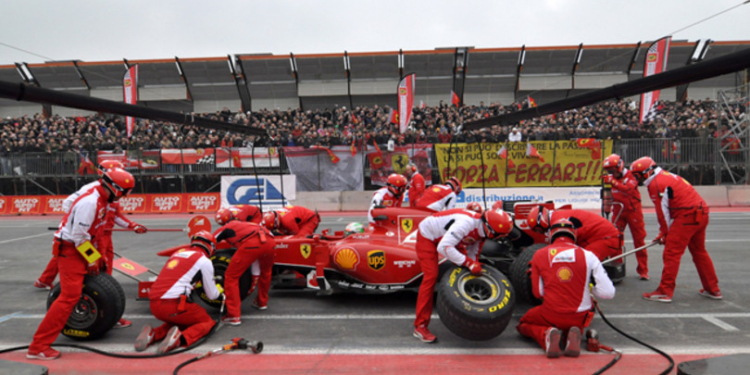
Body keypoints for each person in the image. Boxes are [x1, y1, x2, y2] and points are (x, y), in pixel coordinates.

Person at [27, 168, 135, 360]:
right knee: (69, 296)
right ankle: (38, 347)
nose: (126, 195)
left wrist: (98, 254)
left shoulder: (103, 199)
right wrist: (91, 257)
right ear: (115, 188)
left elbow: (97, 230)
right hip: (71, 249)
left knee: (99, 277)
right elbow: (78, 237)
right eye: (125, 191)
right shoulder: (90, 203)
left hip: (85, 244)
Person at [516, 219, 615, 358]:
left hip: (551, 314)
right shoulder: (589, 255)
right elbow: (608, 293)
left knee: (523, 323)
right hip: (580, 316)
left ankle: (546, 335)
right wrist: (591, 291)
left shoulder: (539, 255)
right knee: (577, 318)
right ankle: (572, 333)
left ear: (551, 235)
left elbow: (538, 293)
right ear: (574, 234)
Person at [413, 209, 513, 343]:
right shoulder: (466, 224)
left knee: (468, 268)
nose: (499, 238)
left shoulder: (482, 230)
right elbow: (444, 247)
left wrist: (471, 265)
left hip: (449, 237)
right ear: (489, 229)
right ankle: (420, 326)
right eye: (499, 235)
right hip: (428, 235)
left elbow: (473, 256)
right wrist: (469, 264)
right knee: (431, 277)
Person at [630, 156, 721, 303]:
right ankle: (713, 289)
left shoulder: (655, 183)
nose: (636, 179)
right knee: (699, 252)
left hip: (687, 215)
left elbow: (663, 213)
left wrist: (664, 233)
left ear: (646, 173)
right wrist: (665, 233)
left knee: (671, 253)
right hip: (701, 212)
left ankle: (665, 291)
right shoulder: (666, 176)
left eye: (637, 175)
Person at [134, 231, 222, 354]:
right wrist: (220, 291)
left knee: (180, 320)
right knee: (206, 321)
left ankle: (154, 334)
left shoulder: (177, 254)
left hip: (154, 304)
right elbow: (212, 295)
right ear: (210, 247)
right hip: (174, 304)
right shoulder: (204, 261)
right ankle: (179, 339)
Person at [214, 220, 276, 324]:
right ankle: (262, 302)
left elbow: (210, 241)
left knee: (231, 277)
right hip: (270, 242)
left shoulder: (227, 227)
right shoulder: (250, 224)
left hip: (252, 244)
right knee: (266, 272)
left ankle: (233, 316)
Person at [602, 153, 649, 280]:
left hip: (633, 211)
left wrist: (613, 182)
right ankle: (617, 266)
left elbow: (628, 189)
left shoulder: (631, 175)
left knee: (639, 240)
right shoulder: (610, 178)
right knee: (615, 238)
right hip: (618, 212)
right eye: (608, 171)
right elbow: (607, 194)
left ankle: (643, 270)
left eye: (611, 170)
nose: (610, 173)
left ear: (619, 167)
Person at [527, 205, 621, 262]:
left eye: (538, 230)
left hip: (606, 238)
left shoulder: (559, 223)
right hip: (595, 236)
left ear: (541, 222)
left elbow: (565, 247)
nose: (540, 233)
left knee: (583, 262)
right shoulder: (557, 216)